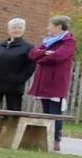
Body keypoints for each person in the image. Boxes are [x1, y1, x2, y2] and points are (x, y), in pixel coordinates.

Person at [29, 16, 77, 151]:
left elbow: (58, 57)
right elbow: (32, 54)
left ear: (59, 26)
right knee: (45, 111)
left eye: (50, 26)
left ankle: (56, 139)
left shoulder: (68, 42)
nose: (48, 28)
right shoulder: (47, 42)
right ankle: (45, 137)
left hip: (56, 81)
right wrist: (44, 53)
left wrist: (41, 58)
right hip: (43, 80)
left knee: (55, 112)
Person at [0, 18, 36, 110]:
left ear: (23, 30)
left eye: (20, 28)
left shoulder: (28, 47)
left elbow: (30, 66)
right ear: (9, 30)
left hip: (14, 86)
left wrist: (19, 79)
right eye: (14, 27)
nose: (17, 30)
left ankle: (12, 124)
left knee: (13, 112)